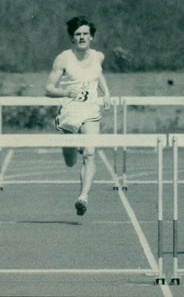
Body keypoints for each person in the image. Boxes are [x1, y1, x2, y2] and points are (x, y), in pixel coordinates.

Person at [45, 16, 111, 216]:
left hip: (91, 110)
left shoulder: (98, 56)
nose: (82, 38)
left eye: (85, 34)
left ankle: (83, 196)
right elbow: (48, 88)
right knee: (70, 160)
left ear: (91, 37)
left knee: (90, 153)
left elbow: (97, 73)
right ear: (72, 38)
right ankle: (72, 147)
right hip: (70, 111)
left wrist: (106, 92)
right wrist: (66, 93)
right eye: (78, 35)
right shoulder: (64, 58)